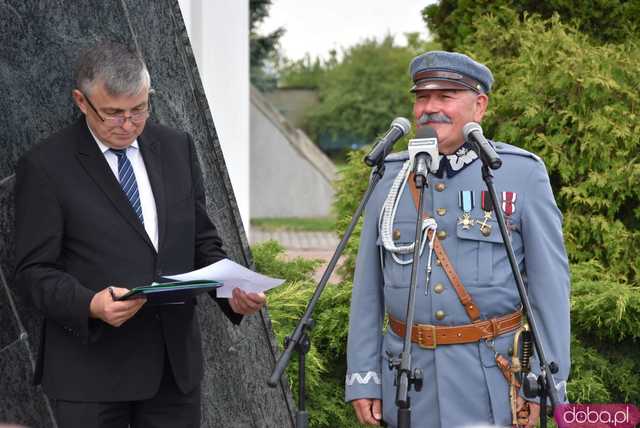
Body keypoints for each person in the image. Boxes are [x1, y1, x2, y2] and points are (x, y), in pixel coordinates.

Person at [14, 41, 266, 428]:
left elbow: (202, 242)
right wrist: (90, 304)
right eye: (113, 114)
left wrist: (233, 292)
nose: (128, 125)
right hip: (90, 376)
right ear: (81, 102)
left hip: (173, 373)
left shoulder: (176, 147)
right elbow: (32, 271)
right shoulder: (46, 166)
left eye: (139, 110)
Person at [345, 51, 570, 427]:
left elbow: (550, 289)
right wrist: (364, 377)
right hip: (406, 380)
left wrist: (545, 383)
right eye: (422, 97)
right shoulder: (392, 178)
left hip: (491, 380)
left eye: (445, 96)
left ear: (479, 105)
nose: (430, 108)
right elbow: (368, 289)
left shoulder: (519, 175)